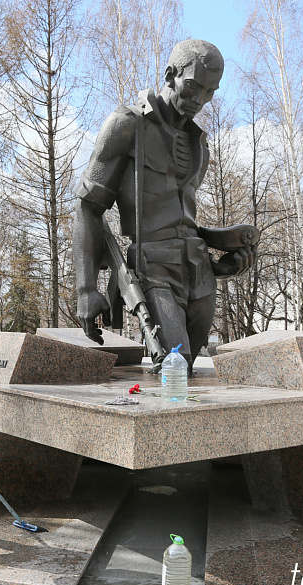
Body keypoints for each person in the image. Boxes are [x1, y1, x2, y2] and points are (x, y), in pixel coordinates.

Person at [74, 39, 258, 373]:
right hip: (153, 268)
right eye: (191, 88)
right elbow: (89, 207)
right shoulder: (126, 125)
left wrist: (222, 263)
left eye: (209, 93)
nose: (198, 101)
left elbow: (181, 222)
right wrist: (86, 289)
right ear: (170, 75)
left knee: (191, 369)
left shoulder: (198, 144)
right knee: (176, 363)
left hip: (199, 273)